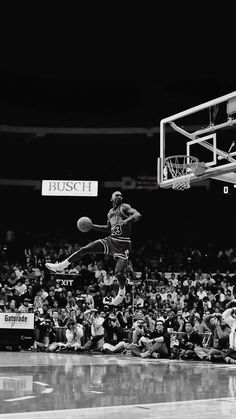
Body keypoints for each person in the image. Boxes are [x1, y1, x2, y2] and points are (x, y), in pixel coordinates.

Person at [46, 191, 141, 306]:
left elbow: (137, 215)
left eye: (121, 195)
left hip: (123, 244)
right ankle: (61, 265)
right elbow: (108, 228)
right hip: (111, 240)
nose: (119, 197)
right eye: (116, 195)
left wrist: (127, 220)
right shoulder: (110, 213)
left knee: (119, 273)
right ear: (111, 198)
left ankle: (121, 293)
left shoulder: (124, 207)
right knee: (84, 249)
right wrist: (92, 226)